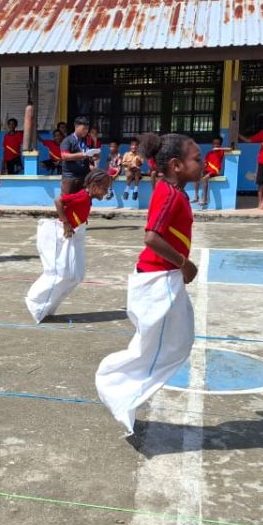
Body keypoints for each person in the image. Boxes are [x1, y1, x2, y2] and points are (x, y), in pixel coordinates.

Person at [95, 133, 202, 438]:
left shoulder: (173, 191)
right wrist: (184, 263)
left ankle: (121, 393)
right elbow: (151, 237)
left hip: (163, 278)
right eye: (197, 159)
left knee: (173, 343)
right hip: (157, 280)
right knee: (155, 350)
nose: (203, 163)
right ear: (176, 165)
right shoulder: (168, 194)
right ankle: (113, 386)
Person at [25, 168, 114, 323]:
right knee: (59, 273)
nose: (105, 192)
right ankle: (35, 302)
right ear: (94, 185)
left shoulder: (87, 199)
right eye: (104, 188)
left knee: (75, 275)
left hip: (73, 235)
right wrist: (66, 223)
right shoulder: (81, 196)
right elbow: (59, 201)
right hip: (61, 234)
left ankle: (47, 306)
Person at [60, 117, 97, 196]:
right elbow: (64, 156)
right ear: (76, 127)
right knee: (67, 202)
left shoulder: (87, 140)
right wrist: (81, 155)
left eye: (87, 129)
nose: (86, 131)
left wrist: (94, 154)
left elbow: (92, 157)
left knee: (84, 202)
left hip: (84, 176)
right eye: (84, 128)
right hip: (70, 177)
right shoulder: (68, 140)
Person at [196, 137, 226, 207]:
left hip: (215, 171)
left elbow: (230, 149)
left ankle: (205, 199)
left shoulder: (221, 152)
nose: (215, 145)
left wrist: (219, 148)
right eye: (214, 144)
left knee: (205, 178)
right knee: (197, 176)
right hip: (207, 170)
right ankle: (196, 196)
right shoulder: (209, 153)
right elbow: (206, 163)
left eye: (218, 144)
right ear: (212, 144)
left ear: (220, 145)